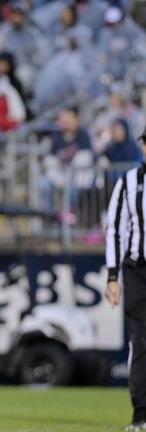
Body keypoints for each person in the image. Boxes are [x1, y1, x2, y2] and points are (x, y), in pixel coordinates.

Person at [105, 131, 146, 432]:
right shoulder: (129, 182)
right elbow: (115, 231)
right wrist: (112, 276)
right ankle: (141, 414)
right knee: (141, 342)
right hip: (138, 270)